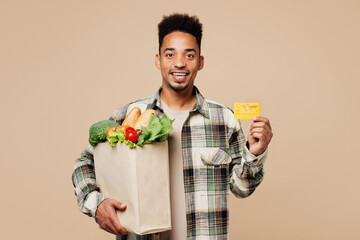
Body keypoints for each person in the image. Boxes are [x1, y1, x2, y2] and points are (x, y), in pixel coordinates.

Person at [72, 13, 273, 240]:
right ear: (158, 60)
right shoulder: (127, 117)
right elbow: (85, 163)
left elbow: (241, 188)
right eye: (170, 54)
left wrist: (254, 153)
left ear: (201, 62)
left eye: (189, 55)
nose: (179, 63)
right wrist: (96, 203)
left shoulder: (223, 119)